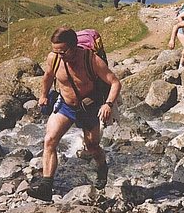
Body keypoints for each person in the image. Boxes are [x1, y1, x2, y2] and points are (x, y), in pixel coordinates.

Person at [28, 27, 121, 202]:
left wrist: (108, 104)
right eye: (55, 51)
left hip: (89, 108)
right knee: (50, 140)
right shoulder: (54, 58)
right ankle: (46, 186)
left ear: (74, 46)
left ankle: (102, 167)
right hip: (65, 106)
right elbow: (48, 76)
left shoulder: (91, 60)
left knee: (92, 146)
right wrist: (42, 95)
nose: (59, 55)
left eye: (62, 51)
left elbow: (115, 82)